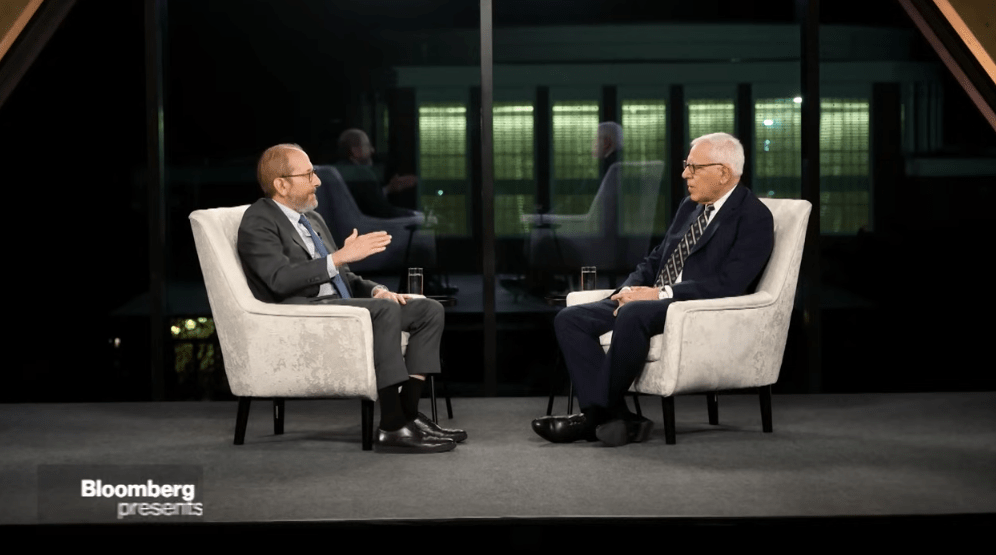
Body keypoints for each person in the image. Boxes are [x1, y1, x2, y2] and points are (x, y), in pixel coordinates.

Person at [533, 132, 774, 447]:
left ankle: (593, 417)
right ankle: (619, 418)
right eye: (686, 166)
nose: (684, 174)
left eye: (693, 167)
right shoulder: (690, 207)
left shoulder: (753, 217)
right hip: (652, 298)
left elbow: (729, 285)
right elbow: (656, 258)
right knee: (569, 318)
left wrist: (658, 295)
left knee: (634, 313)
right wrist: (630, 288)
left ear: (723, 172)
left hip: (693, 306)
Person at [237, 143, 466, 453]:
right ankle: (392, 426)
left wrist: (375, 290)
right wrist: (341, 257)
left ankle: (408, 414)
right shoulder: (259, 220)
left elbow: (340, 275)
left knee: (427, 309)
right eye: (308, 174)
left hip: (339, 305)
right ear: (281, 184)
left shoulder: (311, 219)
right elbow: (278, 280)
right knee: (384, 313)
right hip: (305, 313)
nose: (317, 181)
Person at [334, 129, 424, 221]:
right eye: (367, 146)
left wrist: (388, 189)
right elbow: (385, 212)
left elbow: (361, 200)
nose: (372, 150)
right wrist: (416, 216)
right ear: (355, 151)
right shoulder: (362, 174)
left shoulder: (335, 172)